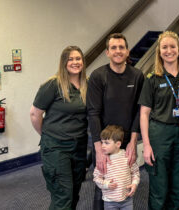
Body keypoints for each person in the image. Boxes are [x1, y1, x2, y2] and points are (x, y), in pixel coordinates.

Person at [87, 33, 144, 210]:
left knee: (125, 180)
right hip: (105, 143)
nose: (118, 51)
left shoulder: (137, 76)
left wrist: (133, 142)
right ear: (107, 52)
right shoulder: (98, 76)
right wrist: (99, 149)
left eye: (121, 47)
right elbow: (93, 113)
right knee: (104, 183)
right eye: (114, 48)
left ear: (127, 51)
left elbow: (139, 111)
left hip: (127, 141)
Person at [30, 46, 88, 209]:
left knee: (74, 193)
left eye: (78, 59)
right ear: (64, 62)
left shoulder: (87, 84)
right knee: (63, 195)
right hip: (56, 148)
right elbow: (35, 114)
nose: (75, 62)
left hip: (79, 147)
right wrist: (47, 135)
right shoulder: (53, 85)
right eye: (71, 59)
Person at [138, 31, 179, 210]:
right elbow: (144, 114)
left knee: (178, 188)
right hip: (159, 135)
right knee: (159, 188)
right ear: (159, 52)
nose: (169, 51)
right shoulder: (152, 79)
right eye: (164, 47)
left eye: (173, 47)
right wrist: (146, 145)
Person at [93, 125, 140, 210]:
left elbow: (135, 172)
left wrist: (134, 184)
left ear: (118, 144)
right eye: (102, 142)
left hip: (127, 199)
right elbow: (96, 178)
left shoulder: (127, 157)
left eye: (106, 143)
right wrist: (105, 184)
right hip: (109, 201)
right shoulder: (103, 160)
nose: (102, 146)